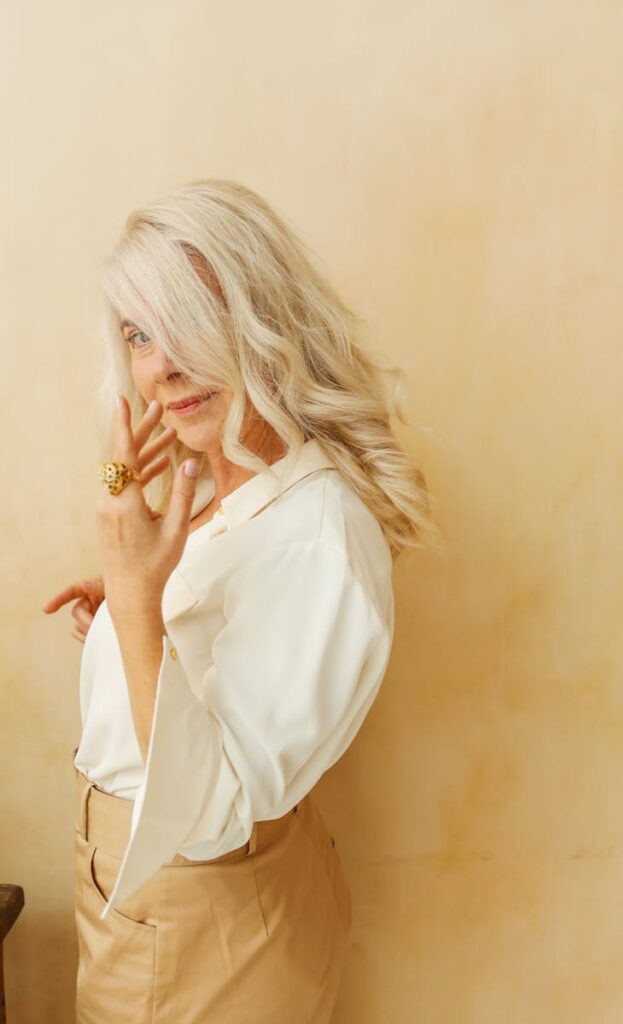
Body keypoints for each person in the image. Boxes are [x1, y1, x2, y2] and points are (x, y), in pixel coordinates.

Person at [43, 179, 441, 1023]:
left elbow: (213, 813)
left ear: (263, 318)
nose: (160, 364)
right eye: (138, 333)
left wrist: (137, 602)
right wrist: (126, 602)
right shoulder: (217, 485)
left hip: (199, 912)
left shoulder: (321, 534)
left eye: (187, 320)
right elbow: (201, 667)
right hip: (152, 898)